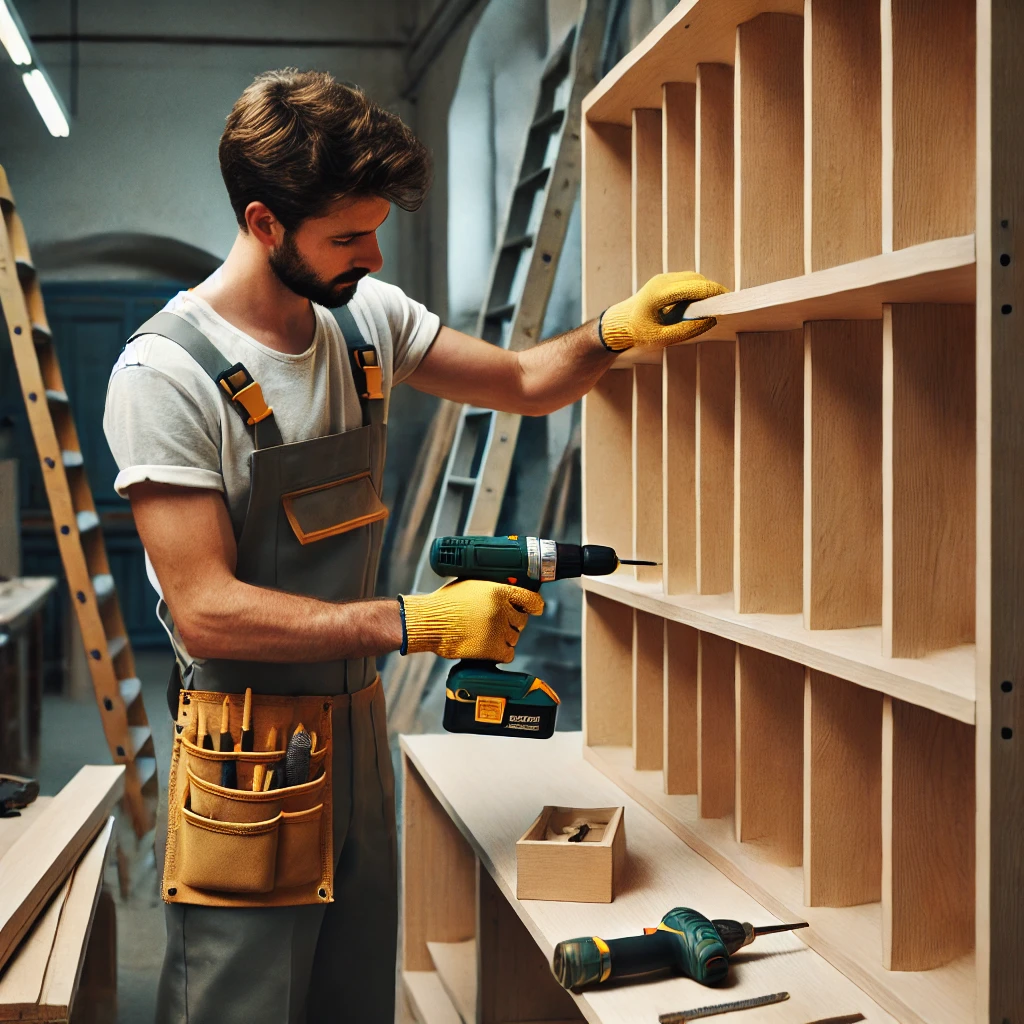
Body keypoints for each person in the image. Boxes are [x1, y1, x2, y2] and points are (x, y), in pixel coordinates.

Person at [102, 68, 724, 1024]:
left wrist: (611, 332)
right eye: (349, 236)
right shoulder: (165, 373)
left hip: (357, 730)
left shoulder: (368, 321)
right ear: (266, 224)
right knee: (241, 1004)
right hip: (247, 750)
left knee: (355, 998)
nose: (375, 253)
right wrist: (418, 621)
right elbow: (204, 605)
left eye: (376, 226)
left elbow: (521, 378)